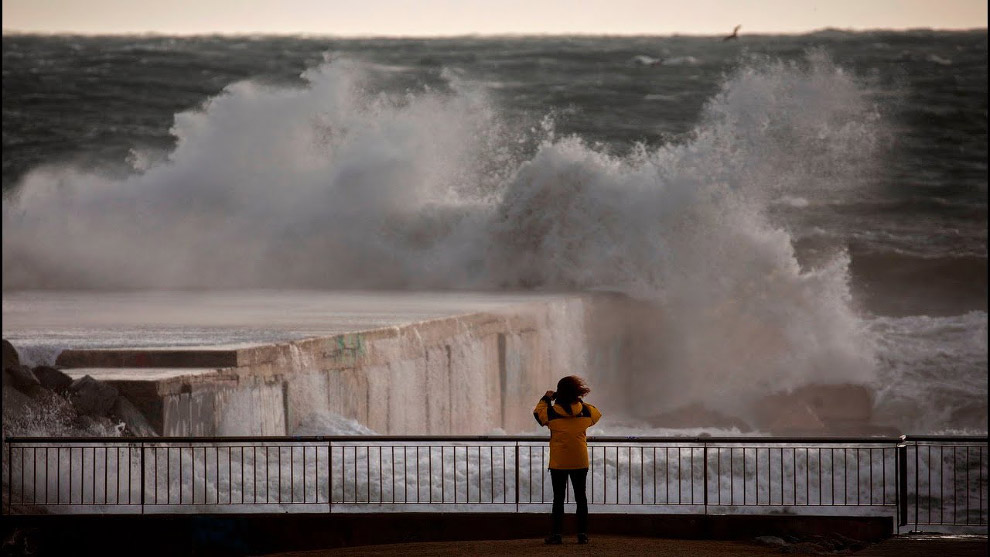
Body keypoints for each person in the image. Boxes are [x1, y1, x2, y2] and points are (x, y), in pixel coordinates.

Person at [532, 376, 602, 545]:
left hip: (559, 462)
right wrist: (577, 400)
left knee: (558, 498)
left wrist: (547, 398)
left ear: (559, 393)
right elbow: (596, 413)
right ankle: (582, 534)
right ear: (577, 392)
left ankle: (556, 535)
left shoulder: (551, 413)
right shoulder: (585, 411)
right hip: (580, 460)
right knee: (581, 498)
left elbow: (537, 413)